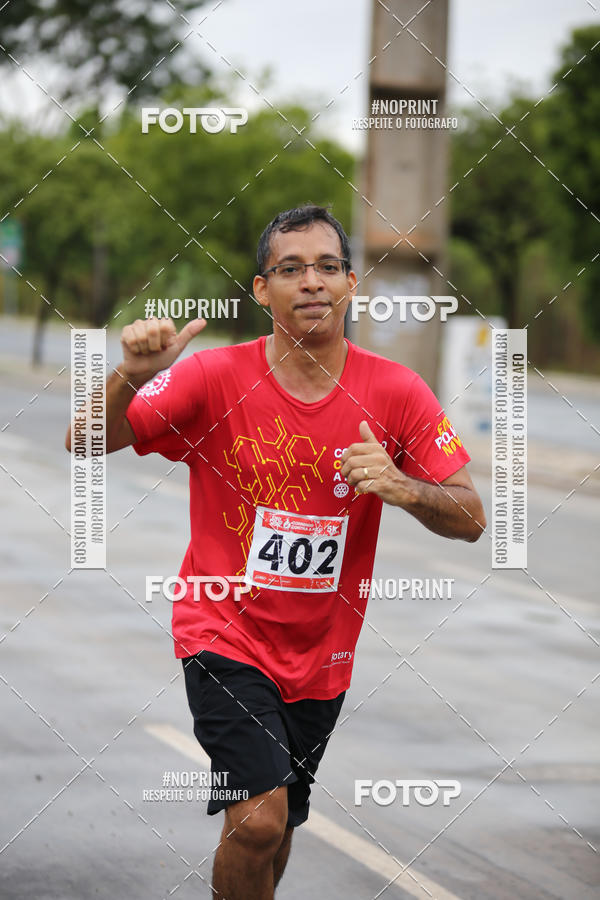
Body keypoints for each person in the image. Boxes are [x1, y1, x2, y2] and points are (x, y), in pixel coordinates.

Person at [66, 204, 486, 899]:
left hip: (323, 654)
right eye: (290, 269)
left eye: (326, 267)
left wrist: (402, 487)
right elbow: (83, 439)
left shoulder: (396, 391)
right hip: (221, 631)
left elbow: (471, 517)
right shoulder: (213, 377)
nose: (311, 282)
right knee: (259, 821)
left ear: (352, 283)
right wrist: (131, 377)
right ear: (262, 290)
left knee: (280, 823)